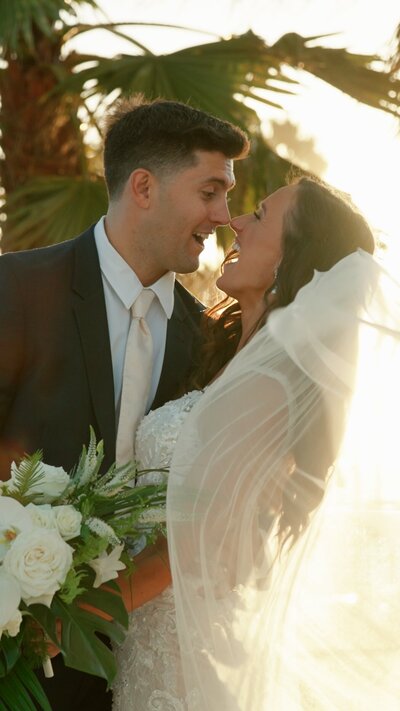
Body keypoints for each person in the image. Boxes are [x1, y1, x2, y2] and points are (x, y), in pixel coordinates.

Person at [0, 96, 249, 711]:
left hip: (136, 669)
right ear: (143, 186)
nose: (223, 215)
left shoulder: (208, 341)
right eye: (210, 191)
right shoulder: (16, 289)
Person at [113, 176, 400, 709]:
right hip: (152, 649)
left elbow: (198, 551)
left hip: (185, 666)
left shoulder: (270, 387)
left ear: (293, 260)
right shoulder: (231, 365)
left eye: (261, 216)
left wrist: (64, 618)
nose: (235, 222)